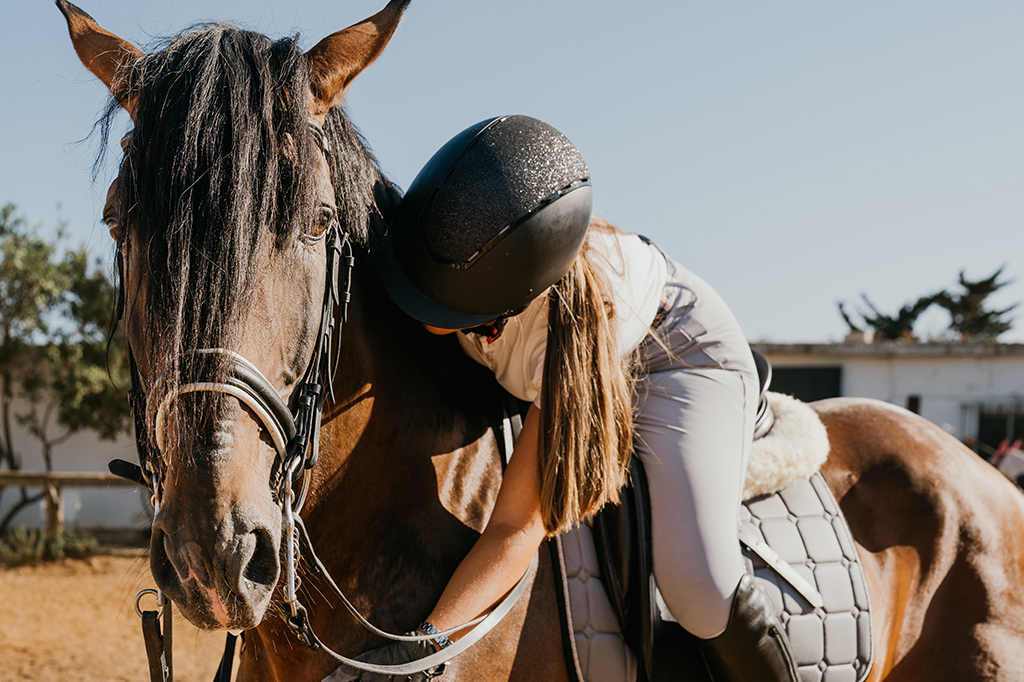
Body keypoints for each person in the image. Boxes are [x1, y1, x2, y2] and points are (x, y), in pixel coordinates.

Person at [327, 116, 798, 682]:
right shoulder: (451, 239)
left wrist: (423, 650)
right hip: (542, 342)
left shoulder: (569, 338)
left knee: (698, 584)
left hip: (675, 354)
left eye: (444, 311)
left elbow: (515, 528)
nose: (424, 315)